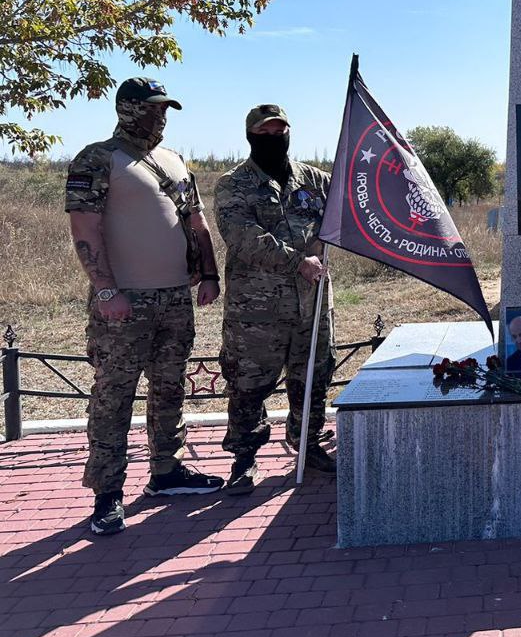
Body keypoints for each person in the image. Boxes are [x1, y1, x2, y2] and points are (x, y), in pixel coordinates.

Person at [66, 78, 225, 537]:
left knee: (169, 389)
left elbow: (197, 222)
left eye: (165, 109)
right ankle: (107, 493)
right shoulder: (98, 158)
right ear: (127, 110)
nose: (162, 117)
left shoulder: (173, 161)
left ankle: (166, 472)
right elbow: (85, 230)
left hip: (175, 297)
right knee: (114, 396)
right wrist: (105, 290)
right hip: (125, 300)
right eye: (154, 109)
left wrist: (210, 275)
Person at [216, 104, 336, 492]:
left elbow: (340, 218)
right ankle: (244, 457)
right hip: (258, 310)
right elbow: (242, 237)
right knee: (249, 384)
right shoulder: (232, 184)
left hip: (312, 304)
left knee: (313, 378)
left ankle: (308, 443)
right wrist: (298, 261)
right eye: (264, 133)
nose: (273, 138)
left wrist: (324, 242)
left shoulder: (314, 180)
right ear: (250, 135)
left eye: (279, 131)